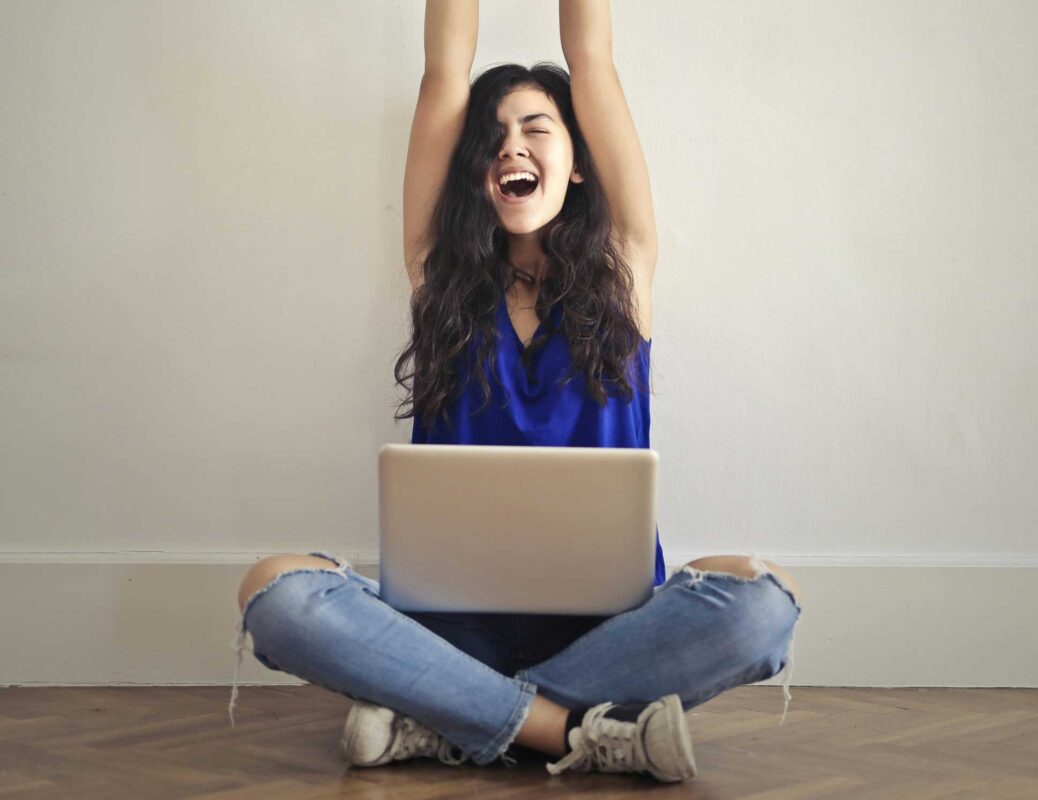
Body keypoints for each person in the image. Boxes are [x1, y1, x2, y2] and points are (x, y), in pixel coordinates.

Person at [228, 0, 803, 783]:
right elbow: (443, 72)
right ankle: (578, 732)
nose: (511, 146)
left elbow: (591, 56)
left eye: (536, 128)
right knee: (275, 592)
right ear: (474, 172)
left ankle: (445, 719)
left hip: (612, 632)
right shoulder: (438, 276)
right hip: (447, 633)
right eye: (493, 137)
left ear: (577, 162)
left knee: (764, 601)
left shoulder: (626, 274)